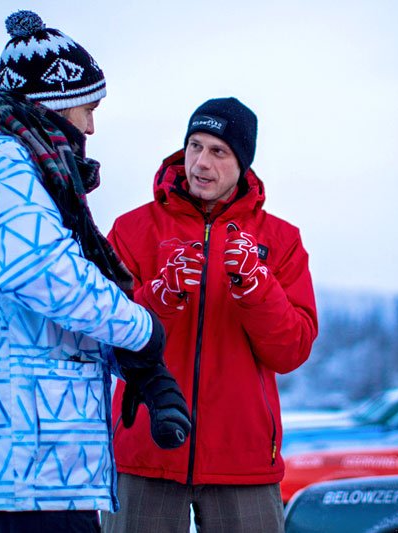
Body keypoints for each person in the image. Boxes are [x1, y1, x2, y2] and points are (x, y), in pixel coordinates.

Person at [0, 11, 189, 533]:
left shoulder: (21, 165)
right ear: (55, 102)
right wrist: (138, 330)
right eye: (88, 107)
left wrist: (135, 366)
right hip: (17, 463)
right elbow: (42, 271)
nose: (91, 126)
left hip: (33, 459)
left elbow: (43, 311)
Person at [101, 97, 319, 532]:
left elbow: (292, 350)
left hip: (245, 459)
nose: (201, 162)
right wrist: (158, 297)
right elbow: (105, 339)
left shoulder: (282, 239)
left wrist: (259, 290)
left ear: (243, 163)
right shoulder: (131, 229)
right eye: (194, 146)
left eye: (218, 151)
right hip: (147, 450)